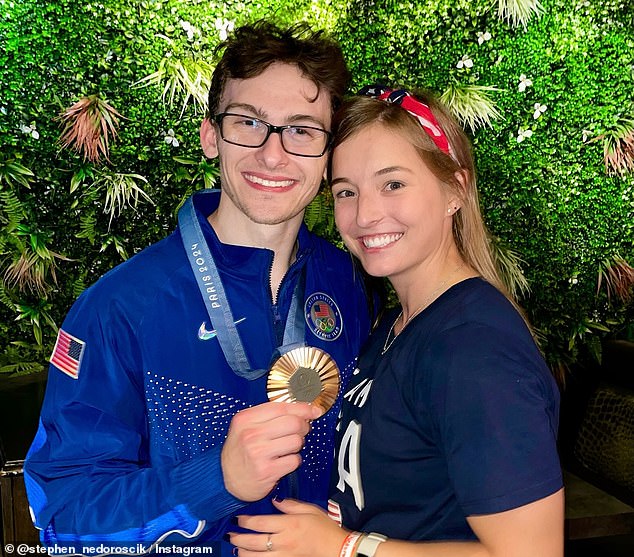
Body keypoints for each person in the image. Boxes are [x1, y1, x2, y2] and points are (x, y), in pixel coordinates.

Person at [23, 22, 374, 555]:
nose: (273, 154)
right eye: (248, 122)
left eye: (301, 129)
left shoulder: (350, 283)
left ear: (328, 155)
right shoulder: (119, 307)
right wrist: (215, 481)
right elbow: (62, 517)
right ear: (212, 135)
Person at [228, 85, 564, 557]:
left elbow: (532, 554)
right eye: (347, 191)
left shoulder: (474, 349)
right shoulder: (396, 324)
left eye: (393, 184)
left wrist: (344, 547)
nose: (365, 214)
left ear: (456, 190)